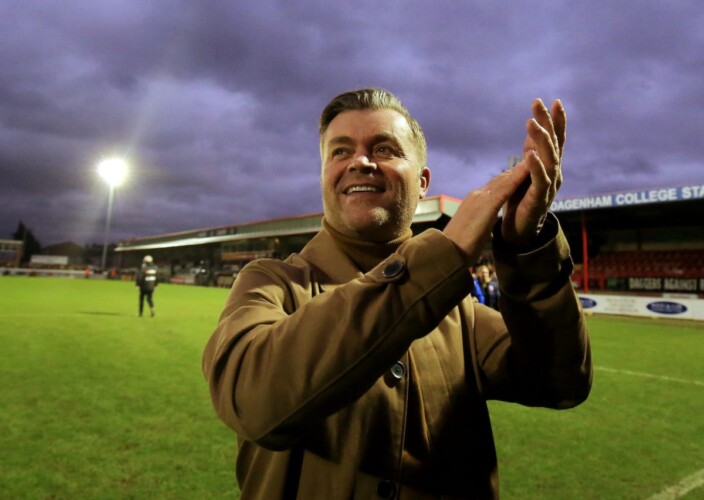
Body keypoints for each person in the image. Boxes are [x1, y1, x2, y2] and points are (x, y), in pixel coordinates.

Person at [202, 88, 592, 499]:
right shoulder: (271, 283)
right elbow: (253, 402)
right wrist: (442, 255)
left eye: (384, 149)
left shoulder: (461, 313)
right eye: (340, 151)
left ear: (422, 183)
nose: (360, 162)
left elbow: (561, 381)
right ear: (324, 177)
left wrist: (527, 248)